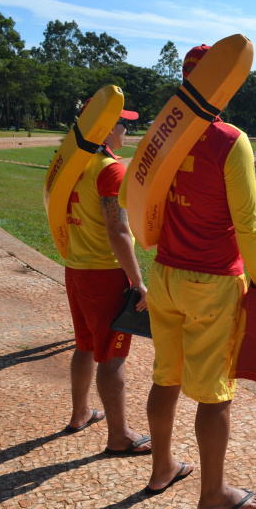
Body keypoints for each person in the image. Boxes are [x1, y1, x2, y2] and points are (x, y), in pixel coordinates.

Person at [144, 45, 256, 509]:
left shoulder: (161, 135)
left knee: (165, 377)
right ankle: (213, 495)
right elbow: (250, 222)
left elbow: (143, 198)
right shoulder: (230, 139)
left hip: (165, 274)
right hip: (213, 280)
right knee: (214, 393)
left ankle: (161, 468)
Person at [63, 100, 152, 457]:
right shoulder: (109, 170)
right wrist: (137, 281)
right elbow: (118, 231)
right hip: (104, 274)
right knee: (112, 356)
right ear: (109, 129)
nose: (127, 129)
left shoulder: (73, 164)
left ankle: (80, 412)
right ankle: (120, 436)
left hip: (76, 268)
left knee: (84, 345)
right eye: (123, 124)